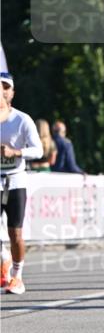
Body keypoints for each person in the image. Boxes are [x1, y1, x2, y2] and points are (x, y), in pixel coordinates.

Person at [0, 72, 43, 294]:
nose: (2, 91)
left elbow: (39, 150)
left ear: (12, 92)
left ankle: (17, 276)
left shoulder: (21, 119)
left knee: (14, 233)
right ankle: (4, 259)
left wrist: (15, 152)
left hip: (15, 182)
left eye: (6, 87)